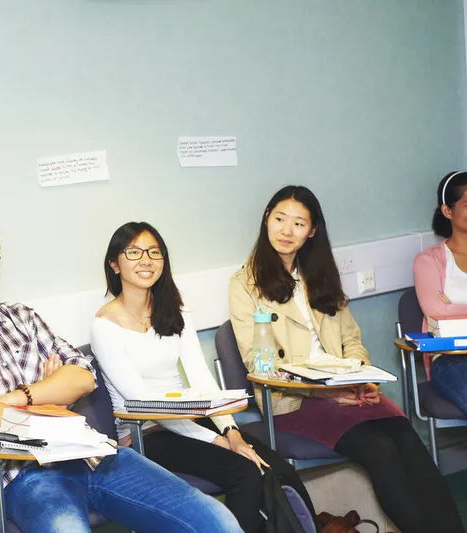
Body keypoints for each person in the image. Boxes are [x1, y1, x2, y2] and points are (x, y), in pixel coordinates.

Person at [0, 214, 241, 533]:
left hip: (93, 455)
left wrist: (18, 397)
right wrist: (51, 394)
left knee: (216, 520)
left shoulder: (20, 317)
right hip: (21, 476)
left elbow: (83, 376)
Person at [229, 185, 463, 533]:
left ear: (312, 231)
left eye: (298, 223)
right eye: (279, 219)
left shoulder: (319, 275)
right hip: (293, 401)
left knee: (407, 438)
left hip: (344, 388)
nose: (286, 230)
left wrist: (360, 377)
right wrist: (324, 391)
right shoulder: (244, 284)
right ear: (267, 220)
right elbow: (258, 364)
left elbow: (352, 340)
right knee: (380, 448)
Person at [90, 221, 316, 533]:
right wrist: (216, 440)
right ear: (115, 264)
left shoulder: (175, 310)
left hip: (191, 422)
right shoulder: (104, 326)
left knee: (276, 468)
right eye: (134, 252)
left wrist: (231, 432)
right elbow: (145, 404)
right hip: (145, 435)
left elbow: (201, 379)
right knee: (244, 473)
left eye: (154, 252)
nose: (146, 260)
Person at [414, 170, 467, 413]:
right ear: (448, 211)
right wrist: (445, 309)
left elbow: (447, 310)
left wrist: (453, 307)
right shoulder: (428, 261)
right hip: (450, 358)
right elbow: (436, 311)